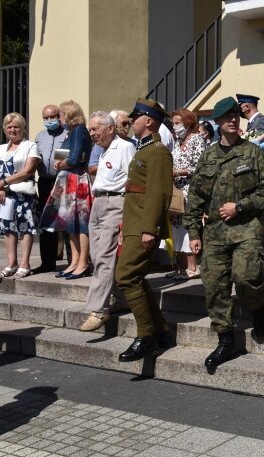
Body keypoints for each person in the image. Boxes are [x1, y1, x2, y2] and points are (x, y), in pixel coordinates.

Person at [184, 96, 264, 372]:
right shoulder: (208, 156)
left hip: (246, 228)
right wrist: (193, 232)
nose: (233, 120)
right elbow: (196, 197)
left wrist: (240, 206)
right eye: (227, 117)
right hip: (214, 232)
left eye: (236, 116)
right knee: (213, 285)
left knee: (246, 276)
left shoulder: (251, 152)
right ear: (217, 122)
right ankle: (226, 339)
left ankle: (258, 309)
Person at [115, 98, 174, 362]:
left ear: (148, 121)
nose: (131, 121)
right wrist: (125, 226)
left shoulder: (158, 151)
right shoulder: (144, 149)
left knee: (126, 275)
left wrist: (150, 228)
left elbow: (159, 193)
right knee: (134, 276)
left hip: (144, 225)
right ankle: (159, 330)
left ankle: (146, 335)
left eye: (135, 117)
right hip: (134, 223)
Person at [79, 112, 134, 331]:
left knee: (104, 256)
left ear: (110, 128)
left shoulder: (125, 148)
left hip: (116, 203)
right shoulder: (102, 151)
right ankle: (123, 298)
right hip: (99, 202)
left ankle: (98, 309)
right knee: (97, 255)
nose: (92, 134)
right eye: (90, 130)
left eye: (95, 129)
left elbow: (132, 182)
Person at [40, 100, 93, 280]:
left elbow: (75, 158)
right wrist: (61, 162)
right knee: (71, 224)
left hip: (77, 180)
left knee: (81, 224)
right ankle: (74, 262)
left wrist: (60, 163)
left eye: (61, 114)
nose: (59, 118)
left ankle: (83, 262)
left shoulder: (79, 130)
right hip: (69, 180)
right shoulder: (72, 132)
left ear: (69, 114)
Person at [0, 113, 41, 280]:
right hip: (4, 195)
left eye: (16, 126)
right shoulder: (1, 148)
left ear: (23, 128)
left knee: (25, 228)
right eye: (9, 127)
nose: (12, 129)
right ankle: (11, 263)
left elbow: (27, 171)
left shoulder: (30, 146)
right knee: (8, 229)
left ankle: (25, 264)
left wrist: (3, 183)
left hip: (22, 193)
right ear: (5, 130)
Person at [166, 108, 206, 281]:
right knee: (177, 228)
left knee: (189, 227)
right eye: (173, 124)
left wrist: (178, 172)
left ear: (188, 123)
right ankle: (181, 267)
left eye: (177, 123)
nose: (174, 127)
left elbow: (200, 166)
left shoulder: (197, 140)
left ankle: (193, 267)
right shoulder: (177, 142)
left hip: (190, 189)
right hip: (177, 191)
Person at [34, 104, 66, 273]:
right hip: (45, 182)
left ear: (59, 116)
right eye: (45, 118)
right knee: (46, 222)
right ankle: (47, 262)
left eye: (52, 117)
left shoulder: (67, 134)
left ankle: (73, 261)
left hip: (62, 182)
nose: (49, 120)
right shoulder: (40, 136)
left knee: (65, 221)